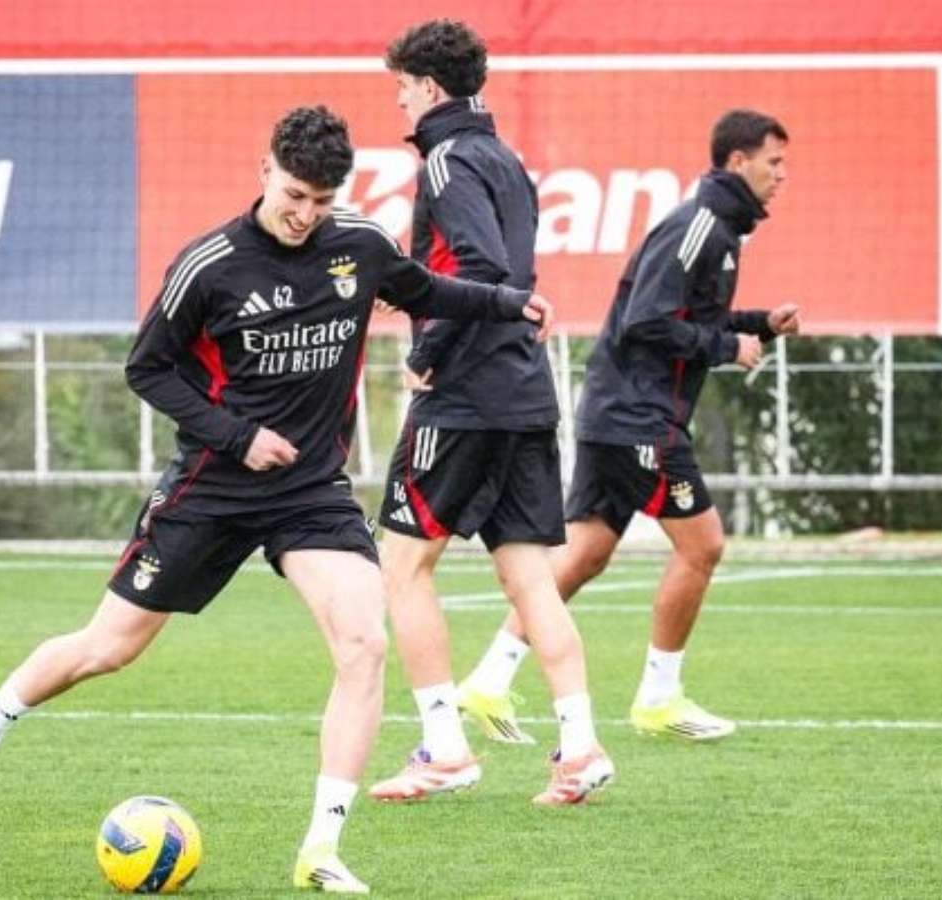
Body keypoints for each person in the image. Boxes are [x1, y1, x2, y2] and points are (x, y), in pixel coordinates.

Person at [0, 106, 554, 895]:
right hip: (213, 485)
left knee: (364, 644)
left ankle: (321, 849)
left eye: (321, 201)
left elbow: (422, 289)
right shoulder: (210, 266)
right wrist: (237, 435)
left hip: (311, 492)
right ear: (265, 171)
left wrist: (508, 302)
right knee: (108, 648)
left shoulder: (358, 246)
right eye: (294, 195)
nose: (305, 214)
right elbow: (146, 369)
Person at [461, 109, 800, 742]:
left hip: (617, 414)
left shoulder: (718, 228)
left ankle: (488, 680)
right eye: (774, 162)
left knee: (583, 555)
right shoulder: (700, 227)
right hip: (640, 419)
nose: (783, 175)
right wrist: (727, 348)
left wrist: (758, 325)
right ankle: (659, 698)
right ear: (738, 161)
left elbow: (686, 318)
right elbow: (647, 321)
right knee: (703, 546)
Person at [368, 19, 613, 807]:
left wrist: (428, 353)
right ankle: (580, 748)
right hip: (523, 392)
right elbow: (504, 275)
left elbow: (482, 269)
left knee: (402, 566)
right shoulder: (505, 158)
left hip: (465, 396)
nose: (399, 102)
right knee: (528, 578)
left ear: (429, 87)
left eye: (402, 87)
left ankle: (445, 749)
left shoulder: (446, 159)